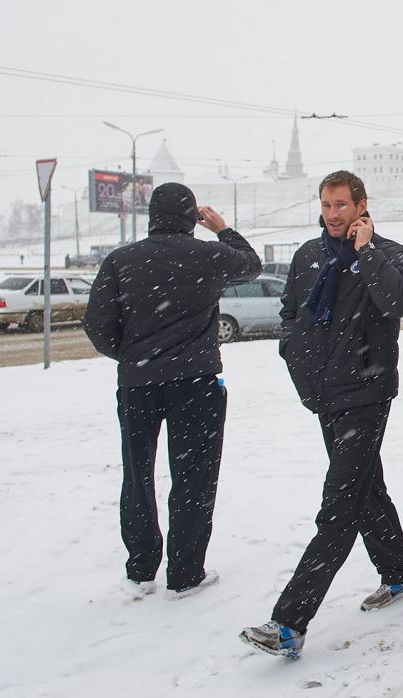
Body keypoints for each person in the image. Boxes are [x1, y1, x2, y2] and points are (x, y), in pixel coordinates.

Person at [240, 171, 403, 660]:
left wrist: (367, 254)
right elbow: (291, 310)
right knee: (365, 490)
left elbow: (399, 300)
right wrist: (291, 350)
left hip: (366, 393)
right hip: (324, 394)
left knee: (339, 504)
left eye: (341, 205)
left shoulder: (390, 255)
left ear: (362, 205)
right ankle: (400, 573)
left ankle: (289, 623)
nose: (332, 214)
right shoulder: (308, 255)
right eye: (326, 205)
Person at [83, 182, 260, 599]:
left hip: (137, 384)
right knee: (193, 476)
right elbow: (251, 265)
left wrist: (131, 356)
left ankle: (142, 566)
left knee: (137, 474)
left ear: (151, 215)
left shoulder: (121, 260)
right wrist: (223, 230)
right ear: (192, 217)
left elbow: (97, 324)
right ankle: (184, 573)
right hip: (196, 382)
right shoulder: (210, 255)